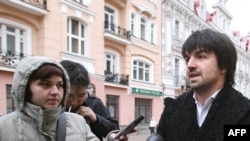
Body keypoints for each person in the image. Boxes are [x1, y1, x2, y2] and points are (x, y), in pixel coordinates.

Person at [156, 29, 250, 141]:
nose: (189, 65)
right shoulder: (172, 109)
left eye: (201, 56)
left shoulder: (245, 112)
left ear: (224, 65)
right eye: (187, 59)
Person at [0, 56, 99, 141]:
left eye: (60, 85)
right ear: (24, 87)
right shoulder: (3, 127)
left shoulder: (78, 122)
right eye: (46, 84)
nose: (55, 92)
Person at [60, 60, 120, 141]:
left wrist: (96, 118)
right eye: (69, 96)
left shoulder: (94, 103)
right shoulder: (52, 105)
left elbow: (114, 129)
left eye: (81, 95)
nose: (74, 102)